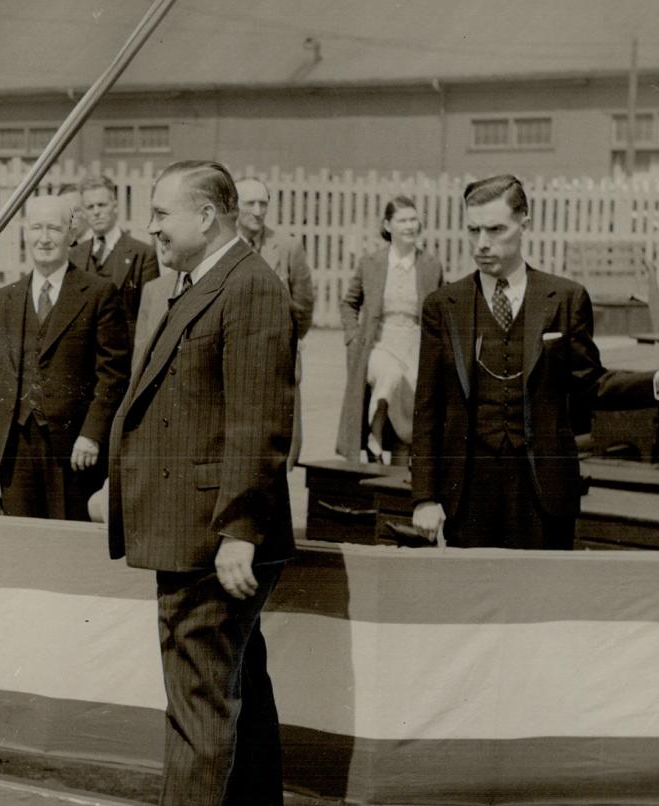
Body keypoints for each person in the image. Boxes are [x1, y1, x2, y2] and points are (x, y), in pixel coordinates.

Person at [98, 161, 295, 806]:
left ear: (208, 216)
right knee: (235, 686)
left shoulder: (248, 288)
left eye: (162, 213)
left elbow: (258, 420)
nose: (152, 227)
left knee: (199, 700)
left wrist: (239, 530)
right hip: (198, 525)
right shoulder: (198, 282)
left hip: (214, 533)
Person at [412, 174, 659, 550]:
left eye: (496, 229)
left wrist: (654, 382)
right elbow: (427, 408)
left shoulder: (564, 298)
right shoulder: (444, 306)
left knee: (544, 602)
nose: (482, 244)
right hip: (467, 493)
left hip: (543, 491)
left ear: (524, 222)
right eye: (473, 230)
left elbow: (591, 383)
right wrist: (425, 497)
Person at [0, 195, 129, 520]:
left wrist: (92, 435)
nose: (45, 238)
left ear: (71, 235)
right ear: (25, 233)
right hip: (15, 447)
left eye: (55, 229)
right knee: (20, 544)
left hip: (74, 450)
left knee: (68, 545)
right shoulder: (5, 299)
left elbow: (112, 375)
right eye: (37, 228)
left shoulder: (98, 294)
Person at [335, 195, 443, 465]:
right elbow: (349, 303)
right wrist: (353, 337)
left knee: (410, 400)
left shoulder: (430, 266)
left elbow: (441, 310)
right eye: (402, 220)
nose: (410, 226)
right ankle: (375, 434)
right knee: (390, 375)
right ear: (388, 225)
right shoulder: (371, 263)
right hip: (379, 343)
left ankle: (398, 466)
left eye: (413, 219)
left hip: (415, 344)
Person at [236, 177, 315, 467]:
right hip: (235, 354)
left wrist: (286, 337)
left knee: (277, 450)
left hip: (278, 355)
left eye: (263, 203)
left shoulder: (287, 247)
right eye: (250, 203)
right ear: (234, 205)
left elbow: (304, 306)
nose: (258, 210)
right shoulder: (224, 245)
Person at [69, 174, 159, 325]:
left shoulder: (142, 254)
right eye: (90, 207)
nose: (96, 212)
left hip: (125, 346)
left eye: (102, 205)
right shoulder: (74, 256)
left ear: (115, 206)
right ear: (84, 212)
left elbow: (150, 314)